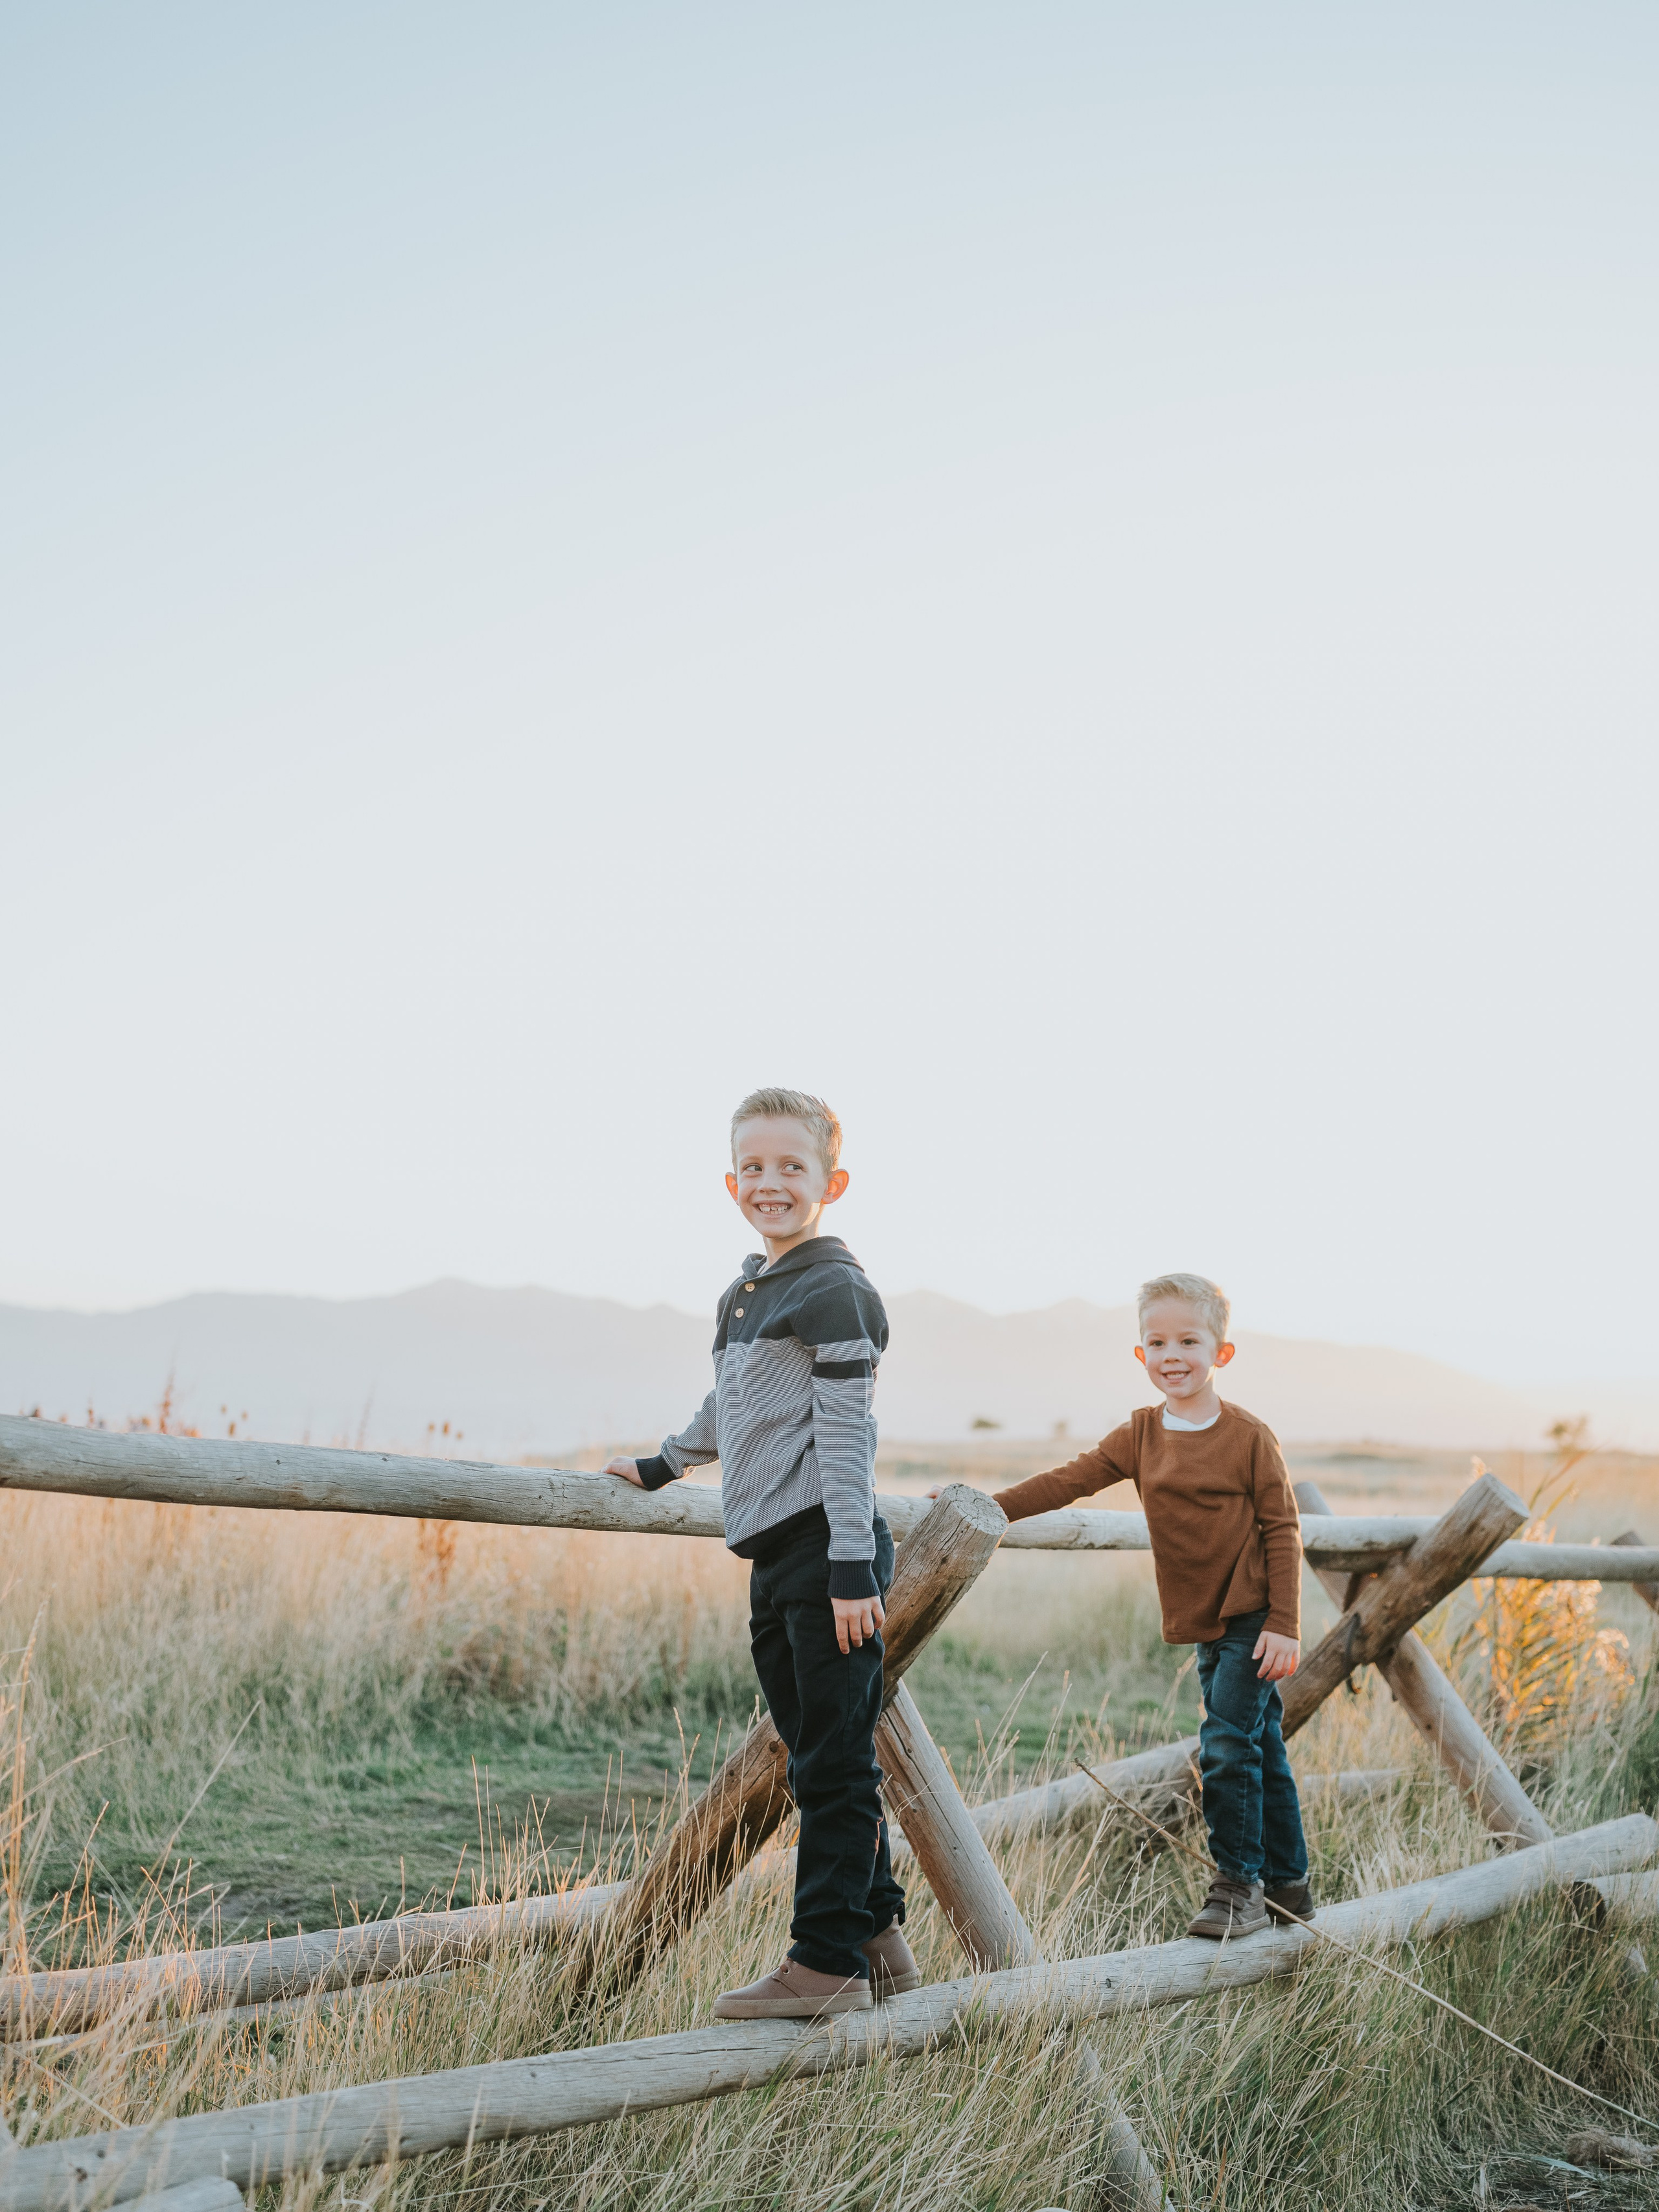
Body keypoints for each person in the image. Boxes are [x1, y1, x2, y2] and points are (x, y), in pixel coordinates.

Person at [605, 1087, 916, 2017]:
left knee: (834, 1764)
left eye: (792, 1167)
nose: (769, 1183)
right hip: (777, 1556)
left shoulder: (834, 1287)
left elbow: (848, 1431)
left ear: (833, 1181)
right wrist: (667, 1461)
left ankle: (821, 1965)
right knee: (819, 1753)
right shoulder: (751, 1286)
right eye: (754, 1166)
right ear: (730, 1178)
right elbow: (730, 1405)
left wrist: (856, 1568)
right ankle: (878, 1937)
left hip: (830, 1554)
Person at [988, 1273, 1310, 1937]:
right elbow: (1068, 1480)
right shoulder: (1140, 1434)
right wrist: (986, 1506)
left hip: (1252, 1617)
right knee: (1260, 1744)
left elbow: (1282, 1528)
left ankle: (1237, 1886)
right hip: (1204, 1621)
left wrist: (1283, 1624)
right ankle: (1290, 1883)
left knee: (1225, 1743)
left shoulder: (1249, 1435)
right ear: (1140, 1354)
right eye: (1156, 1341)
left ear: (1221, 1352)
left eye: (1188, 1339)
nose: (1172, 1354)